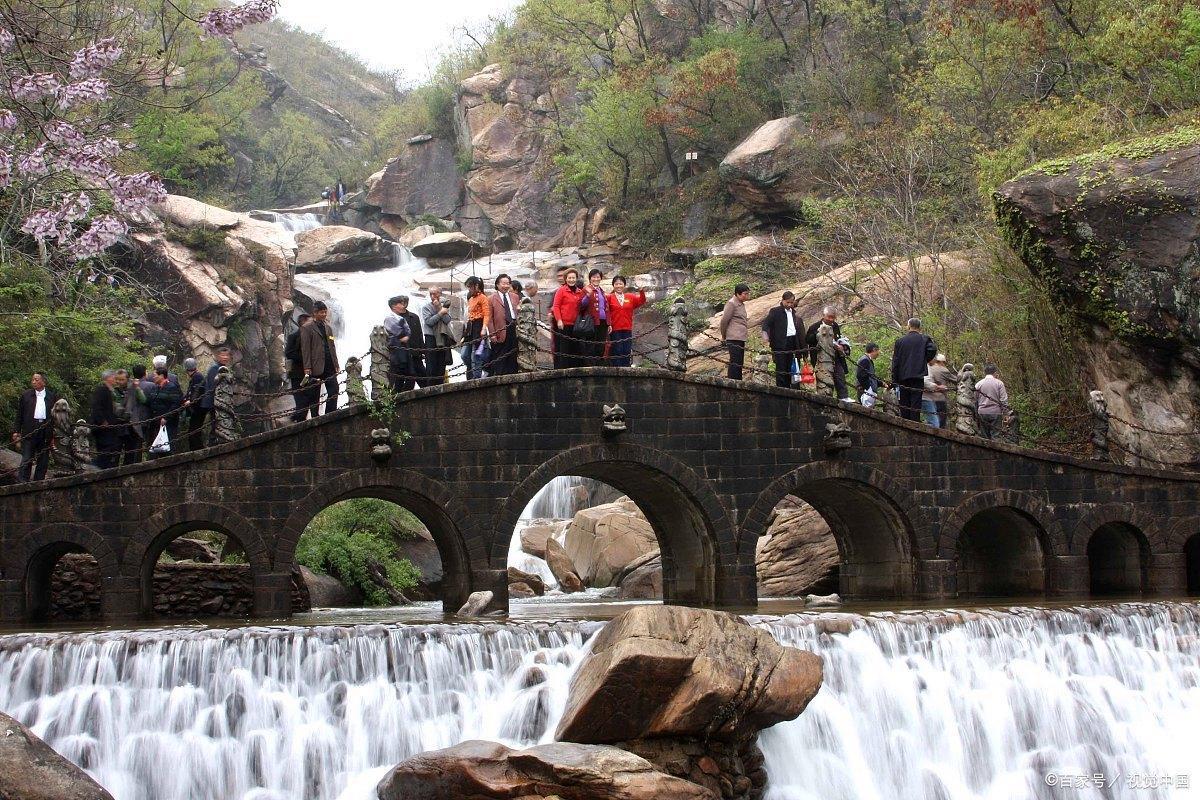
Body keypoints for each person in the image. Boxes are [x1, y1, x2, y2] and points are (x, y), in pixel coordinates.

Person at [11, 372, 57, 482]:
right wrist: (16, 431)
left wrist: (53, 434)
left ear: (43, 382)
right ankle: (22, 482)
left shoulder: (51, 396)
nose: (34, 382)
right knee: (27, 458)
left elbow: (55, 417)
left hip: (45, 431)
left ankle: (39, 482)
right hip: (30, 429)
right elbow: (19, 414)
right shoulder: (26, 395)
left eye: (36, 380)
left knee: (43, 459)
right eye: (33, 380)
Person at [891, 318, 937, 421]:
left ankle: (905, 423)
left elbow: (895, 362)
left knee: (904, 403)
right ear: (919, 327)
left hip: (903, 376)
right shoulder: (925, 339)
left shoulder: (900, 342)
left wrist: (894, 380)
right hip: (918, 375)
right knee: (916, 404)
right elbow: (932, 349)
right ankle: (914, 424)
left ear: (908, 326)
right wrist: (924, 360)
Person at [300, 303, 339, 414]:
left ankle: (330, 414)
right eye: (322, 312)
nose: (324, 314)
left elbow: (332, 346)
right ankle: (315, 417)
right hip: (315, 365)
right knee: (314, 393)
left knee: (334, 389)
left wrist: (336, 364)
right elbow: (305, 349)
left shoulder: (328, 328)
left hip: (329, 364)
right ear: (315, 313)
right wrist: (307, 367)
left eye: (325, 312)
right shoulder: (307, 328)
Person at [761, 292, 805, 389]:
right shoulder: (775, 312)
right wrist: (765, 335)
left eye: (791, 302)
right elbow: (766, 324)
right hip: (779, 344)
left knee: (790, 367)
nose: (789, 304)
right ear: (783, 300)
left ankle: (790, 389)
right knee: (781, 368)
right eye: (787, 302)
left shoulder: (793, 313)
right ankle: (781, 389)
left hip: (792, 342)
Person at [806, 307, 848, 400]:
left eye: (833, 317)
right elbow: (808, 340)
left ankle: (843, 397)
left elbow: (838, 338)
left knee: (840, 375)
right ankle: (825, 398)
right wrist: (817, 334)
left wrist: (840, 345)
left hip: (835, 356)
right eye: (829, 317)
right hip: (820, 358)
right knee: (824, 379)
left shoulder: (835, 325)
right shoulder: (814, 326)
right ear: (823, 316)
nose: (831, 319)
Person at [606, 275, 646, 368]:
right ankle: (616, 369)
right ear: (613, 285)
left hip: (627, 328)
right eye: (616, 284)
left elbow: (641, 301)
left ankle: (626, 369)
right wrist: (608, 324)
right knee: (617, 350)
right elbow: (606, 311)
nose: (618, 286)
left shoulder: (630, 297)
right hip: (614, 329)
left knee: (626, 350)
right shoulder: (609, 297)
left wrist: (641, 291)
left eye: (620, 284)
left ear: (624, 285)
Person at [144, 367, 184, 457]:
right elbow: (149, 401)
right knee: (155, 448)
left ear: (161, 376)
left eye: (155, 375)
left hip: (168, 423)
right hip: (156, 422)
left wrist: (166, 417)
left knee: (168, 447)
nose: (153, 377)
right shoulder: (155, 388)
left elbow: (176, 404)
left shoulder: (172, 387)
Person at [488, 274, 521, 376]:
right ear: (497, 285)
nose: (506, 286)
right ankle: (501, 378)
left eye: (508, 283)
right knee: (500, 357)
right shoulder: (491, 298)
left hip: (513, 327)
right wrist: (492, 334)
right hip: (500, 329)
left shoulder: (515, 297)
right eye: (503, 283)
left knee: (513, 356)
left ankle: (513, 378)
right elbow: (489, 319)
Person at [551, 269, 584, 369]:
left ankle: (575, 369)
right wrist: (559, 320)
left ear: (576, 278)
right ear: (566, 279)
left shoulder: (579, 292)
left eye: (573, 278)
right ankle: (563, 369)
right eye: (569, 278)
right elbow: (556, 306)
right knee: (564, 348)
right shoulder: (561, 290)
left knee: (575, 348)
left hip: (576, 325)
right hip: (564, 324)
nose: (571, 280)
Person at [89, 370, 121, 469]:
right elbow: (96, 407)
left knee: (110, 448)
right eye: (114, 378)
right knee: (105, 448)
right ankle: (97, 467)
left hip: (110, 426)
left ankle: (103, 467)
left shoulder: (110, 391)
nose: (115, 380)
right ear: (108, 378)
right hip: (102, 426)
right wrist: (102, 421)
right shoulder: (101, 390)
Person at [420, 288, 453, 386]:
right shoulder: (426, 307)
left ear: (440, 294)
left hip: (442, 336)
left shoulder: (444, 305)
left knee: (441, 365)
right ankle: (430, 388)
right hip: (430, 337)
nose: (432, 296)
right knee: (431, 365)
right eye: (431, 294)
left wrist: (439, 307)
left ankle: (440, 386)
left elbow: (447, 320)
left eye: (434, 294)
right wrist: (440, 313)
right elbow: (429, 322)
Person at [578, 268, 610, 366]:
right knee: (591, 345)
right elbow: (581, 306)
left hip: (603, 321)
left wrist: (609, 323)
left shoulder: (601, 291)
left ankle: (599, 366)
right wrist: (587, 296)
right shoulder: (586, 289)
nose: (596, 279)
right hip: (591, 321)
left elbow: (606, 308)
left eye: (598, 277)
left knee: (601, 345)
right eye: (594, 277)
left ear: (600, 278)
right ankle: (591, 366)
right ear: (590, 278)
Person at [384, 296, 416, 392]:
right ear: (394, 306)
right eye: (401, 304)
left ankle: (404, 395)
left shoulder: (402, 319)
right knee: (398, 376)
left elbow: (408, 333)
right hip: (396, 352)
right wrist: (404, 335)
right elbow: (400, 334)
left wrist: (405, 335)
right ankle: (396, 396)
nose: (403, 306)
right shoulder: (389, 319)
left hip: (405, 350)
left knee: (411, 375)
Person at [461, 276, 491, 380]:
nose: (469, 289)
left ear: (476, 286)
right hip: (470, 327)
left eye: (470, 286)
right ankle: (471, 371)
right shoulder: (471, 299)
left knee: (477, 354)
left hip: (479, 325)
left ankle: (476, 377)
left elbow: (486, 314)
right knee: (464, 354)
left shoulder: (483, 297)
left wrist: (484, 328)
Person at [112, 369, 144, 465]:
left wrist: (137, 388)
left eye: (122, 379)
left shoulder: (134, 389)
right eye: (117, 379)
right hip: (117, 425)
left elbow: (143, 400)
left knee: (130, 454)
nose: (119, 382)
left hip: (131, 425)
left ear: (127, 379)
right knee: (114, 453)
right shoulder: (114, 392)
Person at [284, 313, 311, 422]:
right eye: (309, 322)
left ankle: (299, 416)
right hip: (297, 372)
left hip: (310, 372)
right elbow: (288, 353)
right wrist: (305, 358)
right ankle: (300, 418)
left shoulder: (312, 337)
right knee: (299, 396)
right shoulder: (293, 336)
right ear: (302, 323)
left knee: (308, 397)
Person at [720, 285, 751, 380]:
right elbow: (724, 321)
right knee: (735, 361)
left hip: (741, 337)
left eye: (748, 294)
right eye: (745, 294)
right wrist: (724, 336)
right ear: (738, 294)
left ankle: (738, 381)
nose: (747, 296)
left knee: (739, 362)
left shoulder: (741, 304)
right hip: (733, 337)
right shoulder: (732, 303)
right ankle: (733, 381)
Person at [923, 353, 958, 428]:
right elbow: (956, 380)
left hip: (930, 397)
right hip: (940, 398)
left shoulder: (929, 368)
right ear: (942, 362)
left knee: (932, 418)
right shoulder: (943, 370)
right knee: (941, 421)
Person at [975, 364, 1009, 440]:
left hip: (982, 412)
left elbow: (975, 399)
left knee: (984, 437)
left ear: (985, 372)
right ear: (995, 373)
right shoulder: (999, 383)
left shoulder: (978, 384)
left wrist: (976, 413)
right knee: (996, 436)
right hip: (996, 413)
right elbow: (1004, 400)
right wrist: (1006, 413)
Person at [182, 358, 208, 450]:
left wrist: (190, 401)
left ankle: (197, 450)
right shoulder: (196, 376)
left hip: (198, 409)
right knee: (194, 431)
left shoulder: (197, 377)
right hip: (199, 408)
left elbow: (197, 391)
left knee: (194, 432)